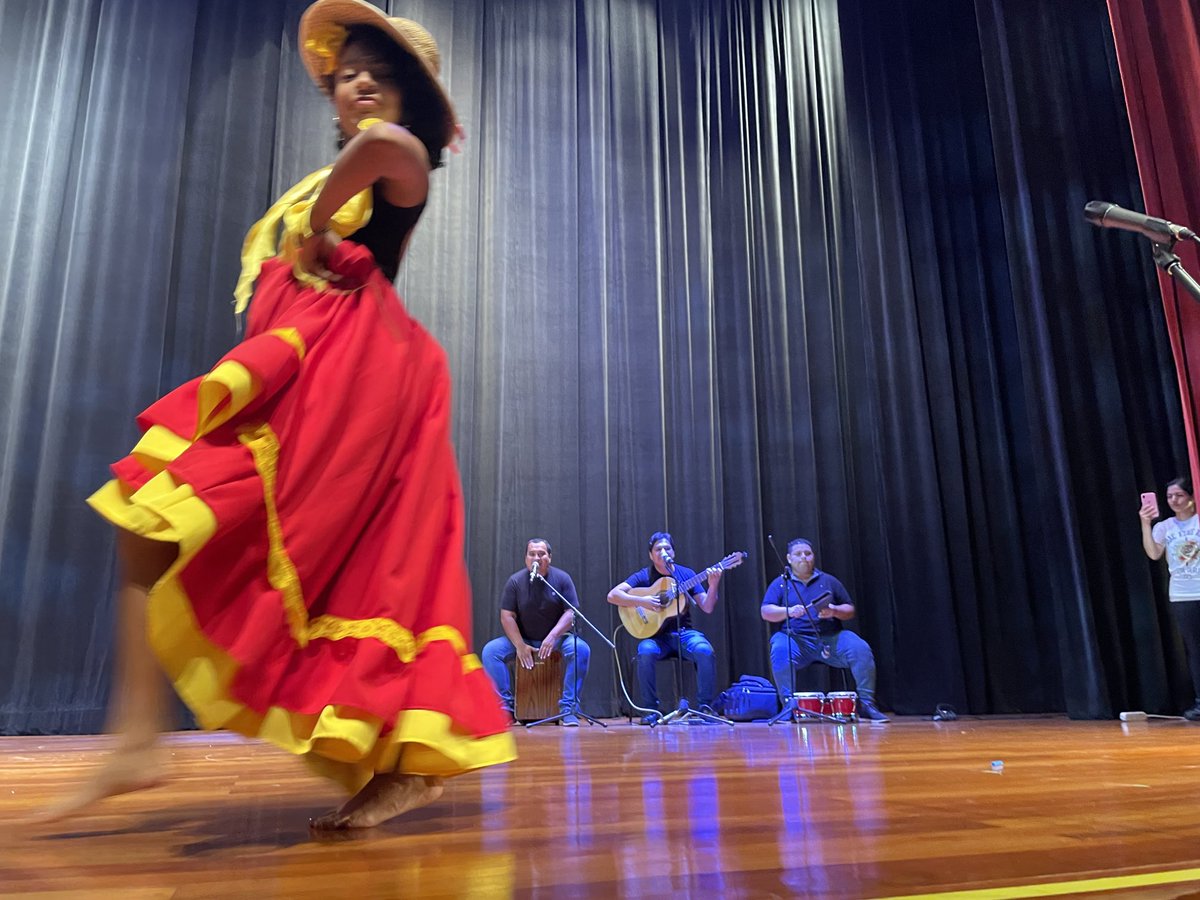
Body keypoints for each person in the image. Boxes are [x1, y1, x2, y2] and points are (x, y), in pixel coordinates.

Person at [40, 0, 515, 830]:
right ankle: (140, 737)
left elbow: (387, 151)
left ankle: (390, 766)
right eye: (348, 72)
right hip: (294, 379)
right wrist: (320, 213)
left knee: (320, 572)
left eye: (381, 72)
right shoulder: (313, 191)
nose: (359, 82)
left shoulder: (393, 173)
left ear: (412, 96)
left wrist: (328, 214)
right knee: (147, 518)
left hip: (349, 391)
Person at [760, 539, 889, 722]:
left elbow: (850, 609)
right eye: (798, 554)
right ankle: (788, 705)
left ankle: (867, 703)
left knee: (860, 647)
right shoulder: (780, 583)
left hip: (831, 638)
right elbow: (765, 612)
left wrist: (834, 610)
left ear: (813, 556)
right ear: (789, 559)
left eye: (808, 553)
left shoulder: (828, 581)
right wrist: (788, 611)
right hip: (797, 641)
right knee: (779, 647)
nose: (804, 557)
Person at [607, 532, 721, 724]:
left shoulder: (686, 575)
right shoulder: (644, 575)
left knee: (704, 650)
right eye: (658, 549)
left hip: (684, 634)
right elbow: (613, 596)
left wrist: (713, 584)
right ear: (651, 555)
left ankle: (705, 708)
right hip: (656, 637)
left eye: (667, 548)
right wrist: (642, 600)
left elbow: (707, 607)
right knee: (645, 651)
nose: (663, 552)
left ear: (673, 553)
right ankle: (651, 710)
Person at [480, 539, 591, 726]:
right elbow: (507, 616)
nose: (537, 558)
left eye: (541, 554)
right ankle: (506, 708)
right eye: (532, 554)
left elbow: (571, 612)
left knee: (581, 649)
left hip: (556, 639)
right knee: (491, 652)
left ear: (549, 557)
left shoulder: (562, 579)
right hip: (523, 639)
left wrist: (553, 636)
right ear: (526, 558)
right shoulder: (515, 581)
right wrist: (519, 646)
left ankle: (568, 708)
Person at [1140, 476, 1200, 721]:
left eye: (1179, 495)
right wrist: (1145, 523)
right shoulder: (1165, 527)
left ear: (1192, 497)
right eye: (1169, 496)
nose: (1173, 500)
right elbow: (1153, 553)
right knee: (1195, 651)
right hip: (1182, 595)